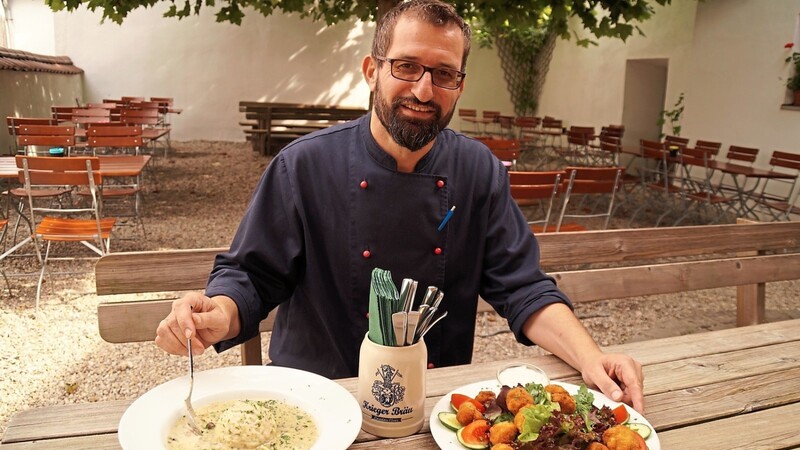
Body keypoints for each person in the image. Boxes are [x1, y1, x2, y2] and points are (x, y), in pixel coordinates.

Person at [156, 0, 645, 413]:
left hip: (435, 405)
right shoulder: (302, 166)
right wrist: (216, 314)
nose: (423, 90)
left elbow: (523, 288)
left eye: (444, 74)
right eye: (406, 66)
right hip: (317, 398)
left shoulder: (480, 171)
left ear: (460, 84)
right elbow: (253, 276)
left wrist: (590, 357)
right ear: (372, 71)